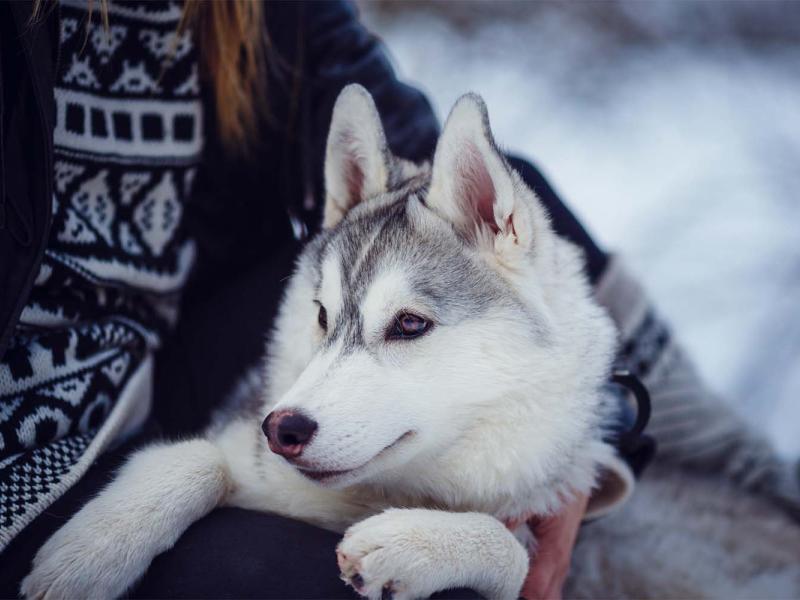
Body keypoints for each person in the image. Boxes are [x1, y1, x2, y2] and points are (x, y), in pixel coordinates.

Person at [0, 1, 796, 598]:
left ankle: (765, 485)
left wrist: (584, 439)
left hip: (155, 353)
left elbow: (404, 139)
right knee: (307, 578)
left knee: (500, 211)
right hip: (23, 426)